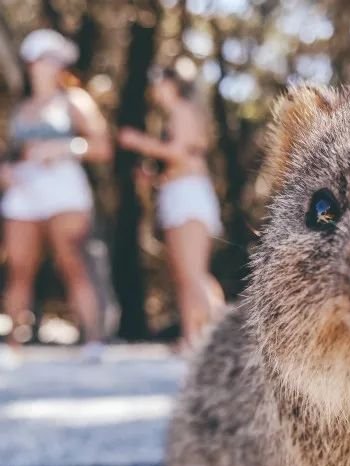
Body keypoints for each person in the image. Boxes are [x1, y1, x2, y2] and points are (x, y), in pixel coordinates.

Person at [0, 29, 111, 363]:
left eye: (52, 58)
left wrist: (64, 147)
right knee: (19, 267)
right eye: (41, 58)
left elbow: (102, 147)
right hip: (24, 191)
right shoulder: (21, 108)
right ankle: (13, 344)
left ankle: (92, 339)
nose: (46, 65)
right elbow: (12, 153)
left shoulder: (75, 101)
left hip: (64, 188)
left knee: (73, 261)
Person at [118, 65, 223, 351]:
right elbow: (182, 160)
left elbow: (178, 153)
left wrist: (137, 141)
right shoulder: (180, 114)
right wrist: (155, 178)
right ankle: (193, 337)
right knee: (185, 272)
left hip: (188, 196)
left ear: (173, 84)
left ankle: (214, 338)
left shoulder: (183, 110)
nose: (154, 89)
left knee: (192, 272)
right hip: (180, 193)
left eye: (158, 82)